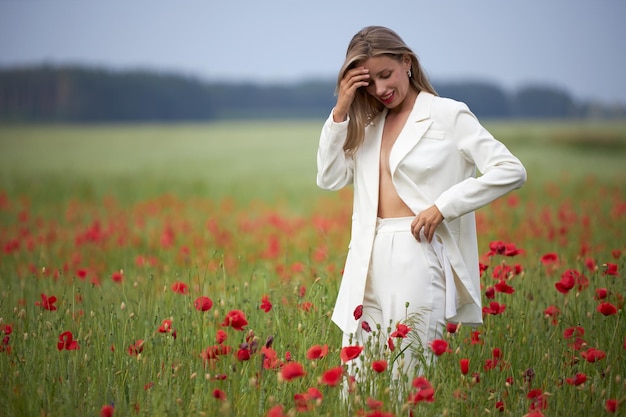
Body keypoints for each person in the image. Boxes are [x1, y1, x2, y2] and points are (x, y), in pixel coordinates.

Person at [316, 26, 526, 380]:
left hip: (419, 252)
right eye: (370, 83)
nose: (381, 89)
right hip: (365, 257)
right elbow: (329, 177)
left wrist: (443, 206)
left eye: (386, 75)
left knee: (406, 380)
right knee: (355, 383)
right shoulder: (367, 124)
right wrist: (341, 109)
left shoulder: (447, 114)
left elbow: (510, 169)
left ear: (407, 62)